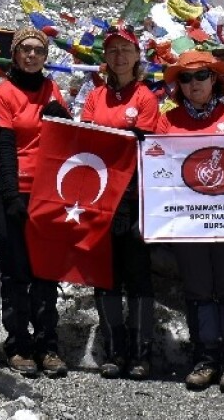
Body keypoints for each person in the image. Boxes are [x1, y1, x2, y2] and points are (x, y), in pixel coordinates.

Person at [158, 50, 224, 394]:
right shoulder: (168, 121)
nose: (194, 83)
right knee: (197, 288)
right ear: (178, 84)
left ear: (214, 79)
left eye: (201, 76)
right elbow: (158, 169)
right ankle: (205, 357)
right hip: (187, 220)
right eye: (185, 77)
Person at [77, 25, 160, 380]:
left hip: (134, 197)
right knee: (105, 274)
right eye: (112, 51)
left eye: (125, 50)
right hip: (100, 197)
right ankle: (114, 349)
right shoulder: (96, 95)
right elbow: (86, 140)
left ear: (137, 56)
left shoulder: (145, 96)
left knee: (138, 274)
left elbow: (142, 147)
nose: (119, 57)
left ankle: (141, 353)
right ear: (105, 59)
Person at [0, 26, 70, 379]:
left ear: (45, 55)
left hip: (49, 192)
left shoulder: (53, 89)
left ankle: (47, 343)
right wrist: (10, 194)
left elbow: (70, 139)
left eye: (38, 50)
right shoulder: (5, 91)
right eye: (25, 49)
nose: (31, 55)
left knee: (45, 270)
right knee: (16, 270)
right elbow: (5, 147)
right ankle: (18, 342)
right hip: (17, 189)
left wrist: (61, 116)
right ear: (16, 53)